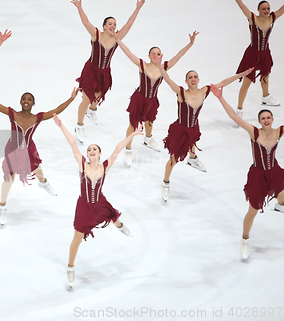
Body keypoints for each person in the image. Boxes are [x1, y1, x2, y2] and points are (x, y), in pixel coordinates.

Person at [53, 113, 143, 287]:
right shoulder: (82, 163)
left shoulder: (105, 166)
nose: (91, 151)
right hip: (84, 206)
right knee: (77, 238)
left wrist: (132, 135)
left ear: (100, 153)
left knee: (111, 215)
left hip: (99, 202)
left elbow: (117, 149)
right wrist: (61, 125)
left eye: (94, 149)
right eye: (89, 149)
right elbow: (73, 143)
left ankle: (120, 226)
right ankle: (71, 267)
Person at [0, 79, 79, 225]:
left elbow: (57, 110)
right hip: (12, 150)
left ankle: (43, 183)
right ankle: (2, 206)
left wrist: (71, 98)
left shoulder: (37, 118)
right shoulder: (13, 114)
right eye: (24, 99)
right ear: (20, 102)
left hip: (29, 148)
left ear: (33, 103)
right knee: (9, 179)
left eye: (29, 99)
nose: (26, 101)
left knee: (36, 168)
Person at [211, 84, 284, 261]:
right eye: (263, 118)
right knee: (253, 211)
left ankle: (279, 204)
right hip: (258, 175)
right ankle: (245, 238)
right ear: (259, 121)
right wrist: (220, 97)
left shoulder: (279, 131)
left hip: (274, 171)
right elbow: (234, 116)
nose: (266, 120)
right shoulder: (254, 132)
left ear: (272, 119)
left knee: (283, 195)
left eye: (268, 117)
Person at [159, 66, 253, 201]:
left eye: (195, 76)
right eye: (190, 77)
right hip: (180, 130)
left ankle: (192, 159)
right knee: (173, 159)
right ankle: (165, 183)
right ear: (186, 81)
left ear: (198, 80)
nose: (193, 79)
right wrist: (160, 65)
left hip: (193, 126)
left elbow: (223, 82)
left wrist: (243, 74)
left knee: (192, 142)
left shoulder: (204, 91)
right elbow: (167, 79)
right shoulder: (181, 92)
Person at [115, 32, 198, 167]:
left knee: (150, 120)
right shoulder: (143, 65)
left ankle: (148, 139)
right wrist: (118, 40)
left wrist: (190, 44)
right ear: (149, 56)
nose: (156, 55)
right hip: (140, 98)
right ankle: (128, 149)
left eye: (159, 53)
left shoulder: (164, 67)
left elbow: (178, 56)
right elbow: (128, 53)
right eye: (153, 53)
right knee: (133, 124)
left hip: (152, 99)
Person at [71, 0, 146, 143]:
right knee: (86, 98)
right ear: (104, 26)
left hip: (104, 72)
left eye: (114, 24)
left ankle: (92, 110)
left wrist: (137, 8)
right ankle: (79, 126)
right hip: (91, 70)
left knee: (98, 95)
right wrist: (79, 8)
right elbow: (85, 22)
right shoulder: (96, 34)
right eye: (110, 23)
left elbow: (129, 25)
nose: (113, 26)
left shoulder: (117, 37)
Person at [229, 0, 284, 116]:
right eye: (264, 8)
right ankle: (239, 109)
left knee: (265, 75)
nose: (266, 11)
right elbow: (241, 5)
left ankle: (266, 97)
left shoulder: (272, 18)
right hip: (252, 54)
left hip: (265, 53)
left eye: (268, 8)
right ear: (258, 10)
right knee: (247, 82)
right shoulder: (252, 18)